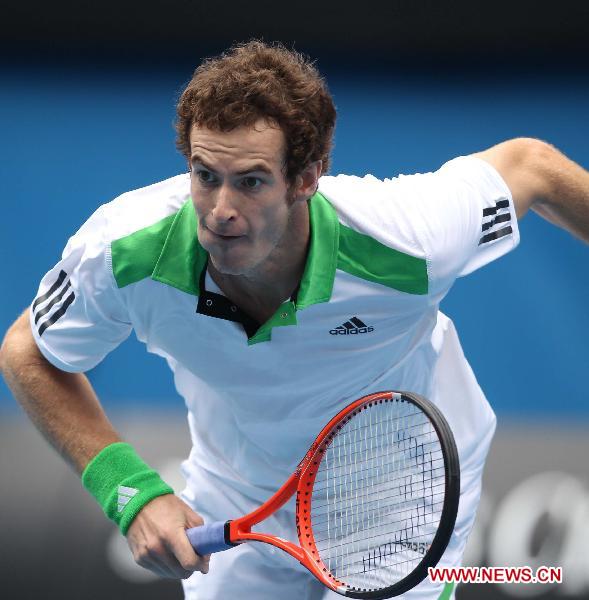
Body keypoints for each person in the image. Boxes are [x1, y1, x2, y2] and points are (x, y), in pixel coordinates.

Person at [1, 40, 588, 600]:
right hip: (236, 489)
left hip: (403, 493)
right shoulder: (124, 250)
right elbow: (28, 352)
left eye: (251, 181)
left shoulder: (410, 240)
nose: (221, 210)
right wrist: (128, 491)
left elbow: (532, 167)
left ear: (307, 179)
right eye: (205, 176)